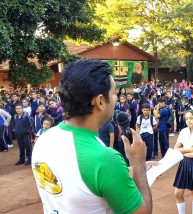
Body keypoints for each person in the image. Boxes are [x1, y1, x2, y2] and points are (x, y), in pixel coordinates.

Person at [31, 59, 153, 213]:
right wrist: (139, 165)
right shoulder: (105, 158)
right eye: (113, 93)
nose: (116, 99)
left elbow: (78, 182)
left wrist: (122, 172)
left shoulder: (43, 140)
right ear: (100, 101)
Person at [173, 110, 193, 214]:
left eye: (191, 118)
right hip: (184, 164)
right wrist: (189, 150)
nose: (188, 121)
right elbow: (175, 148)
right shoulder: (183, 131)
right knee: (177, 193)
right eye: (186, 119)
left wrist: (183, 152)